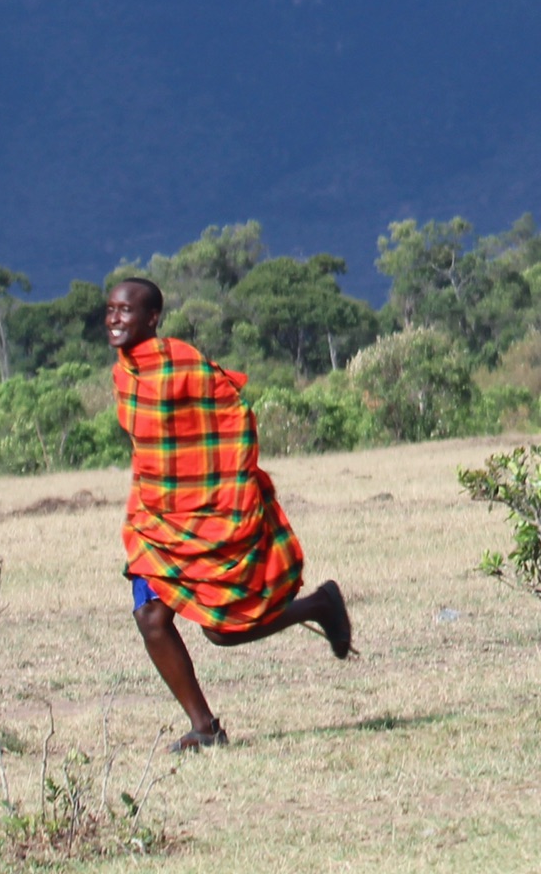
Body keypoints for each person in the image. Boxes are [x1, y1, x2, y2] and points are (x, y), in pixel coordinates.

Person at [104, 275, 351, 750]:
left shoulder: (184, 365)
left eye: (125, 311)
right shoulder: (125, 371)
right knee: (151, 619)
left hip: (205, 509)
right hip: (156, 516)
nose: (114, 319)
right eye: (110, 310)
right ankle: (204, 728)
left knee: (224, 631)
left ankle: (320, 604)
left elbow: (231, 417)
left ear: (151, 318)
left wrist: (229, 486)